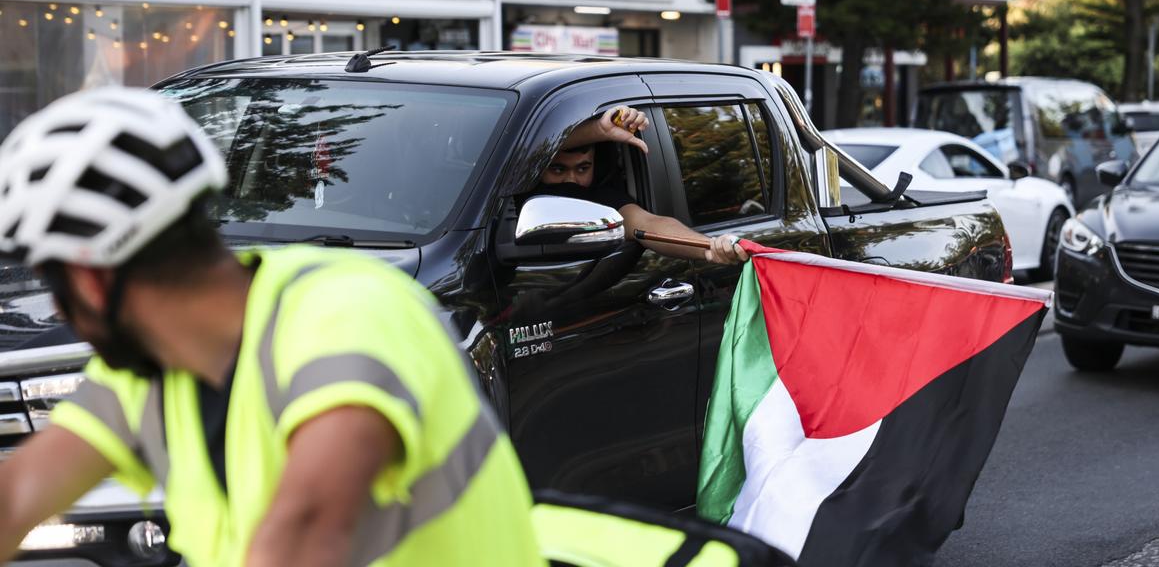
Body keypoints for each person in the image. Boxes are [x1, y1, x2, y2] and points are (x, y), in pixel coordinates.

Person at [0, 88, 543, 567]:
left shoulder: (346, 312)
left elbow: (304, 533)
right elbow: (18, 491)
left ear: (89, 280)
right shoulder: (147, 371)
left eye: (54, 279)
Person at [532, 106, 748, 264]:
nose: (572, 180)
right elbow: (514, 152)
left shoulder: (604, 200)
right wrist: (598, 130)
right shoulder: (509, 195)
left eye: (582, 169)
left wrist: (710, 248)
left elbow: (649, 223)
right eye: (558, 169)